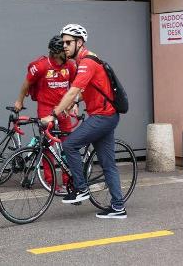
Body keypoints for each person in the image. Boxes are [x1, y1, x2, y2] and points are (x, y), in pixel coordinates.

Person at [41, 24, 127, 219]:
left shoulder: (87, 62)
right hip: (106, 116)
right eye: (63, 42)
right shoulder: (83, 61)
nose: (64, 46)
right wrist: (76, 102)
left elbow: (72, 90)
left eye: (68, 42)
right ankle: (118, 207)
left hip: (102, 117)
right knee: (108, 164)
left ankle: (81, 189)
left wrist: (54, 114)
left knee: (69, 144)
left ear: (79, 43)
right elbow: (87, 90)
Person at [14, 35, 77, 192]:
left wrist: (74, 104)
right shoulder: (42, 66)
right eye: (63, 51)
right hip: (45, 108)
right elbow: (26, 83)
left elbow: (75, 86)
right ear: (56, 53)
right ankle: (50, 182)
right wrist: (20, 101)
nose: (66, 53)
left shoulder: (71, 66)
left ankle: (68, 180)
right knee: (48, 146)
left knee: (67, 143)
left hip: (63, 109)